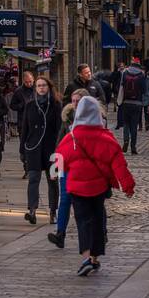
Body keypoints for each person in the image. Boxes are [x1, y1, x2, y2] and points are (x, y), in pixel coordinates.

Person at [57, 96, 135, 276]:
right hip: (98, 188)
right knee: (98, 221)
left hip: (77, 189)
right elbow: (119, 164)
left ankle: (86, 257)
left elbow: (60, 161)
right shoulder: (106, 138)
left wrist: (63, 175)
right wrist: (128, 186)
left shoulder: (71, 138)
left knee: (83, 221)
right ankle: (94, 258)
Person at [22, 74, 62, 225]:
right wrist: (22, 150)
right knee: (33, 179)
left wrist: (60, 150)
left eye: (43, 85)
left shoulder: (57, 105)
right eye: (38, 86)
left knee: (53, 181)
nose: (41, 88)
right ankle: (32, 210)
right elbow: (24, 128)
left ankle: (53, 211)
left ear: (49, 87)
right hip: (33, 148)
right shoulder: (30, 105)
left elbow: (60, 129)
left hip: (53, 150)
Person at [48, 88, 85, 248]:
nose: (75, 104)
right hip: (67, 165)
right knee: (65, 199)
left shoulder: (92, 118)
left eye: (78, 101)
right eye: (73, 100)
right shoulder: (67, 117)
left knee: (86, 202)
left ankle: (98, 233)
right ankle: (60, 234)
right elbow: (59, 143)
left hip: (83, 167)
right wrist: (55, 166)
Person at [117, 55, 147, 155]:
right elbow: (144, 90)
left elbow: (121, 86)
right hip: (137, 104)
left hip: (126, 102)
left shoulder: (125, 72)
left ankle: (125, 140)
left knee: (126, 123)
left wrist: (119, 101)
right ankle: (133, 147)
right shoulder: (141, 74)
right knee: (134, 125)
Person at [9, 70, 36, 179]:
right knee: (24, 145)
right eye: (26, 82)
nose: (29, 84)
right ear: (23, 81)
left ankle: (33, 168)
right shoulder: (19, 92)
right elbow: (12, 105)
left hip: (36, 122)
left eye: (30, 82)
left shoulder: (37, 89)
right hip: (23, 122)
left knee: (34, 146)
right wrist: (22, 105)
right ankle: (27, 168)